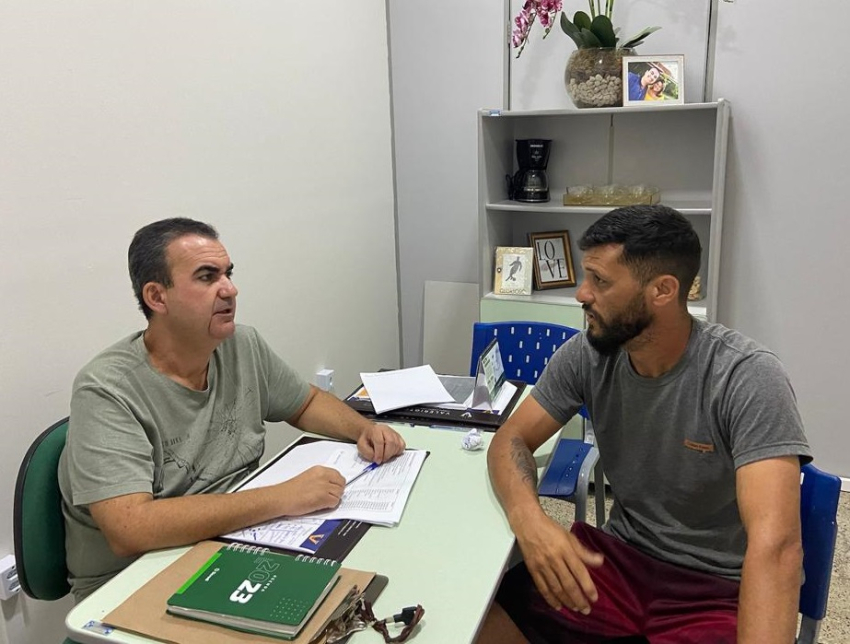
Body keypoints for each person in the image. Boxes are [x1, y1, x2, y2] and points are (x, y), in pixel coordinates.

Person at [478, 205, 811, 643]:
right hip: (618, 563)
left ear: (663, 290)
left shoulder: (746, 376)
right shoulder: (588, 353)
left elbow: (777, 548)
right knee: (476, 623)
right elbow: (511, 438)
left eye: (600, 280)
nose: (582, 294)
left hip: (715, 589)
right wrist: (531, 521)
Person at [58, 217, 406, 601]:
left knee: (369, 580)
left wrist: (362, 430)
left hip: (233, 540)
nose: (230, 289)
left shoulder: (240, 344)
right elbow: (130, 528)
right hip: (132, 581)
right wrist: (281, 498)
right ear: (157, 297)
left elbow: (304, 401)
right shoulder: (106, 389)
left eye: (228, 274)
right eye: (207, 277)